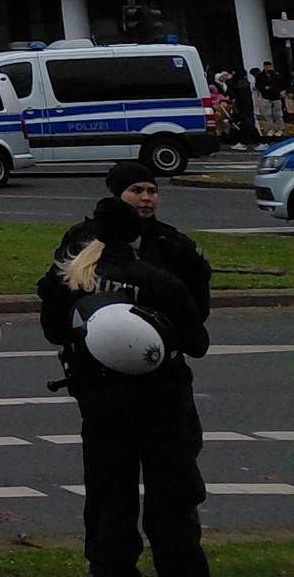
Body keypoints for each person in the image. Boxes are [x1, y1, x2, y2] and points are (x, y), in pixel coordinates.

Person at [35, 163, 213, 577]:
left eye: (153, 189)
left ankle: (108, 567)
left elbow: (52, 329)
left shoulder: (72, 272)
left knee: (108, 497)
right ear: (133, 232)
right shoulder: (156, 276)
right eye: (138, 190)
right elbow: (197, 341)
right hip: (162, 402)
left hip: (99, 404)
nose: (148, 196)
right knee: (173, 497)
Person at [256, 62, 286, 140]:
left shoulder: (276, 75)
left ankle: (280, 129)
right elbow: (258, 85)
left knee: (278, 114)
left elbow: (281, 84)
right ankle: (270, 129)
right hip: (266, 96)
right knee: (268, 115)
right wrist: (264, 88)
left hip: (276, 96)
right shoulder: (260, 76)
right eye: (267, 66)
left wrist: (279, 90)